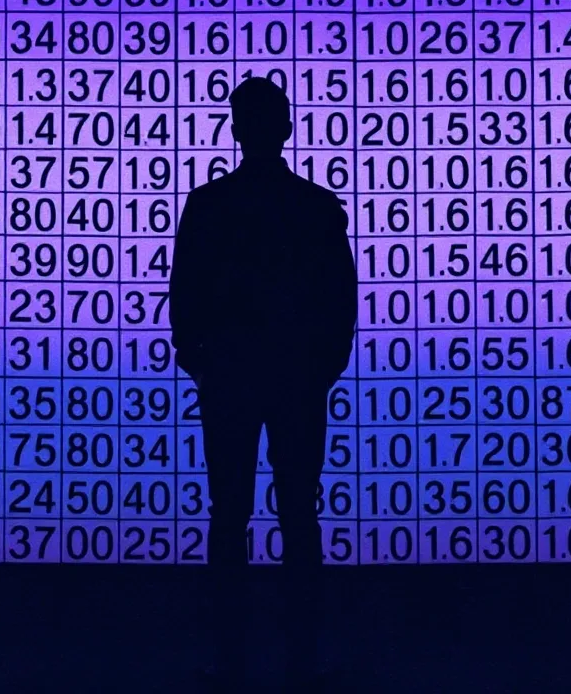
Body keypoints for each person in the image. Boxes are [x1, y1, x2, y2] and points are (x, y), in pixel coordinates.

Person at [169, 76, 358, 686]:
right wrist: (322, 367)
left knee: (230, 513)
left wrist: (202, 362)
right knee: (298, 511)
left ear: (237, 130)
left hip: (234, 377)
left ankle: (232, 656)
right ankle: (301, 654)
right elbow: (341, 298)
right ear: (286, 128)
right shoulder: (316, 207)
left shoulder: (208, 205)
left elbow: (184, 293)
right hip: (294, 378)